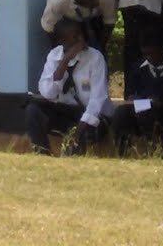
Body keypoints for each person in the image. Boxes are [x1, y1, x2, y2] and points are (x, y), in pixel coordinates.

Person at [25, 18, 112, 155]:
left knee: (89, 132)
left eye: (80, 34)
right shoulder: (55, 56)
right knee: (33, 110)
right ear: (62, 41)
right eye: (74, 36)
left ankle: (72, 155)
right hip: (67, 111)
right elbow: (48, 93)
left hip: (91, 115)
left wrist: (79, 129)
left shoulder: (95, 57)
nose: (80, 39)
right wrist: (65, 61)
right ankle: (43, 154)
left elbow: (97, 98)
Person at [107, 24, 163, 154]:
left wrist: (159, 102)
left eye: (152, 53)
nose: (149, 58)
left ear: (162, 48)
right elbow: (130, 95)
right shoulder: (138, 68)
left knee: (148, 113)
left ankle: (159, 150)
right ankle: (121, 151)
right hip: (142, 109)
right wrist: (136, 99)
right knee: (121, 113)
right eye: (146, 54)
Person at [39, 0, 117, 52]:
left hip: (96, 19)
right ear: (76, 1)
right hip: (70, 23)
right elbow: (48, 27)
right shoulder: (58, 1)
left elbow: (109, 22)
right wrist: (59, 50)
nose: (96, 1)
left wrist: (99, 49)